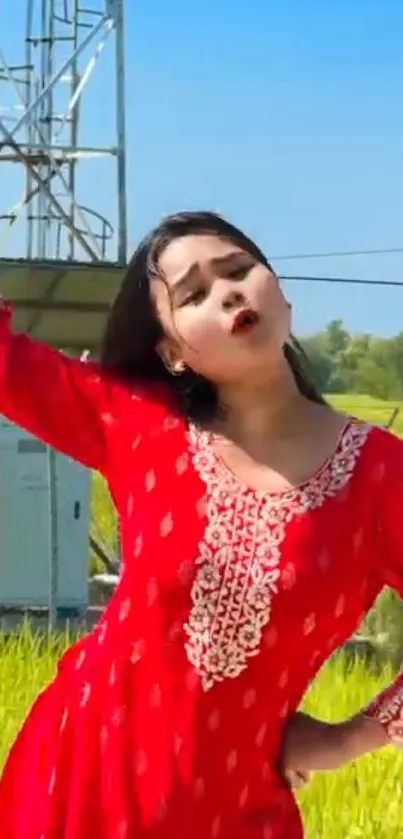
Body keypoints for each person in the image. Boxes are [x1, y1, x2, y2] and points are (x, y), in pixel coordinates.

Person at [0, 210, 402, 839]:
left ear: (280, 290)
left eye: (239, 269)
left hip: (234, 812)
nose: (229, 293)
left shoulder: (381, 476)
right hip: (78, 787)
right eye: (194, 293)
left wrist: (352, 738)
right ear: (171, 352)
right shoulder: (138, 427)